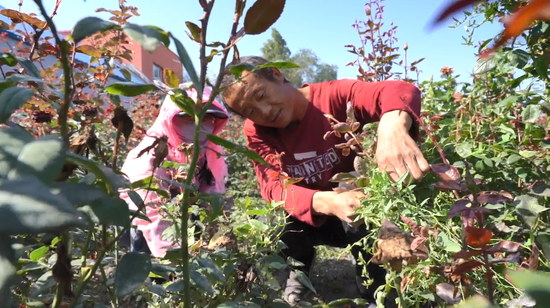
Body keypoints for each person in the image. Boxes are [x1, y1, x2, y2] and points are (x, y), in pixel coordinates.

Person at [219, 56, 430, 306]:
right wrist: (327, 201)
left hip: (357, 213)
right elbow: (273, 186)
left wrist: (392, 127)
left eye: (261, 95)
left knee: (363, 203)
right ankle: (297, 270)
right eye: (251, 111)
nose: (264, 111)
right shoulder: (257, 131)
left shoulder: (334, 96)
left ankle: (374, 287)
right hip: (311, 218)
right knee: (275, 218)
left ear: (276, 74)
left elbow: (400, 90)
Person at [119, 85, 230, 258]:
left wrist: (212, 238)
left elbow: (210, 195)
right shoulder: (150, 158)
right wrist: (178, 264)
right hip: (144, 226)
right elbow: (152, 219)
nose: (199, 124)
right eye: (188, 117)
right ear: (169, 119)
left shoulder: (206, 153)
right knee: (147, 257)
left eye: (207, 117)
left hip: (181, 218)